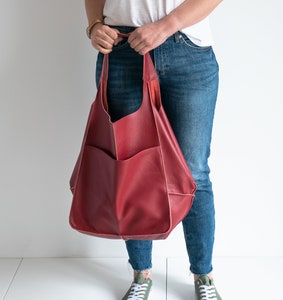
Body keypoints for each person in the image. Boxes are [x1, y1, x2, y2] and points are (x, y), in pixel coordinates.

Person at [84, 0, 223, 299]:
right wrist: (95, 24)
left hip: (187, 49)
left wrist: (167, 25)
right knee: (130, 169)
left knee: (193, 173)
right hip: (121, 49)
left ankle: (204, 276)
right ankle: (140, 274)